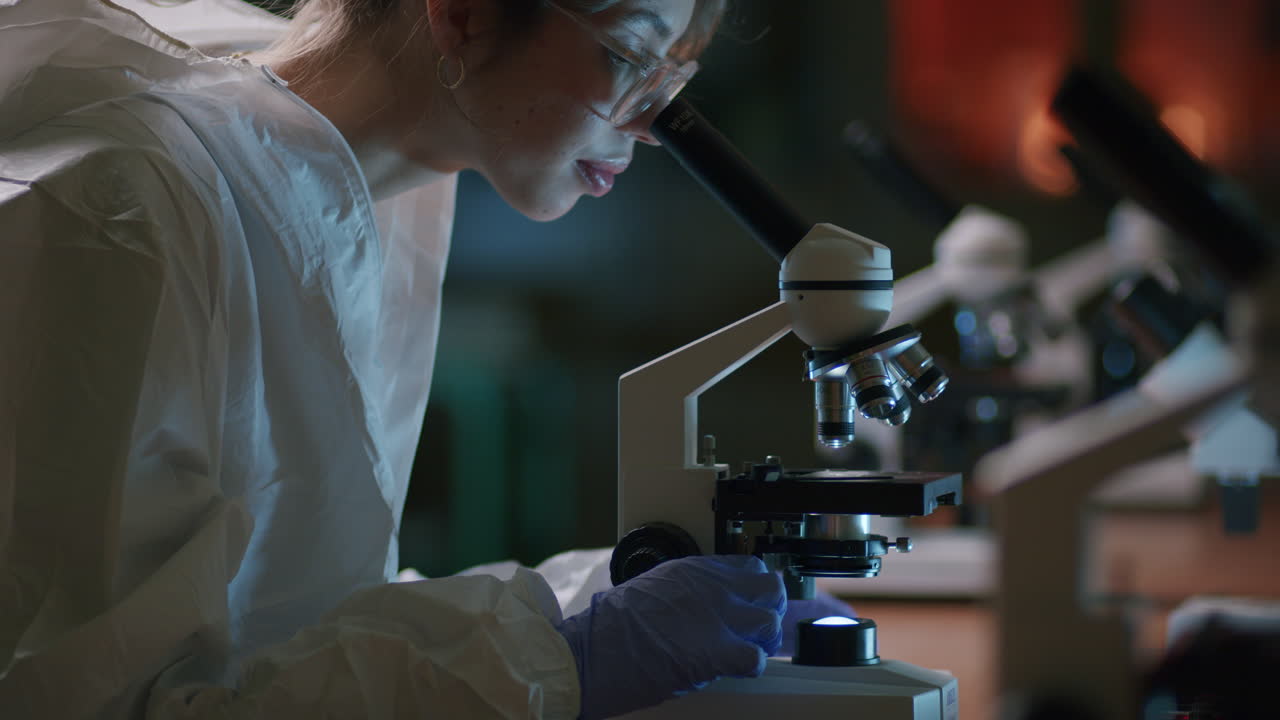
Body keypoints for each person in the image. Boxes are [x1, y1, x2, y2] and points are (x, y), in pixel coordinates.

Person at [0, 0, 817, 717]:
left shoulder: (349, 188)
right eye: (632, 56)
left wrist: (580, 604)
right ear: (463, 13)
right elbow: (100, 701)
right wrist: (558, 666)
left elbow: (289, 624)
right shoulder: (124, 214)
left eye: (673, 77)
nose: (650, 123)